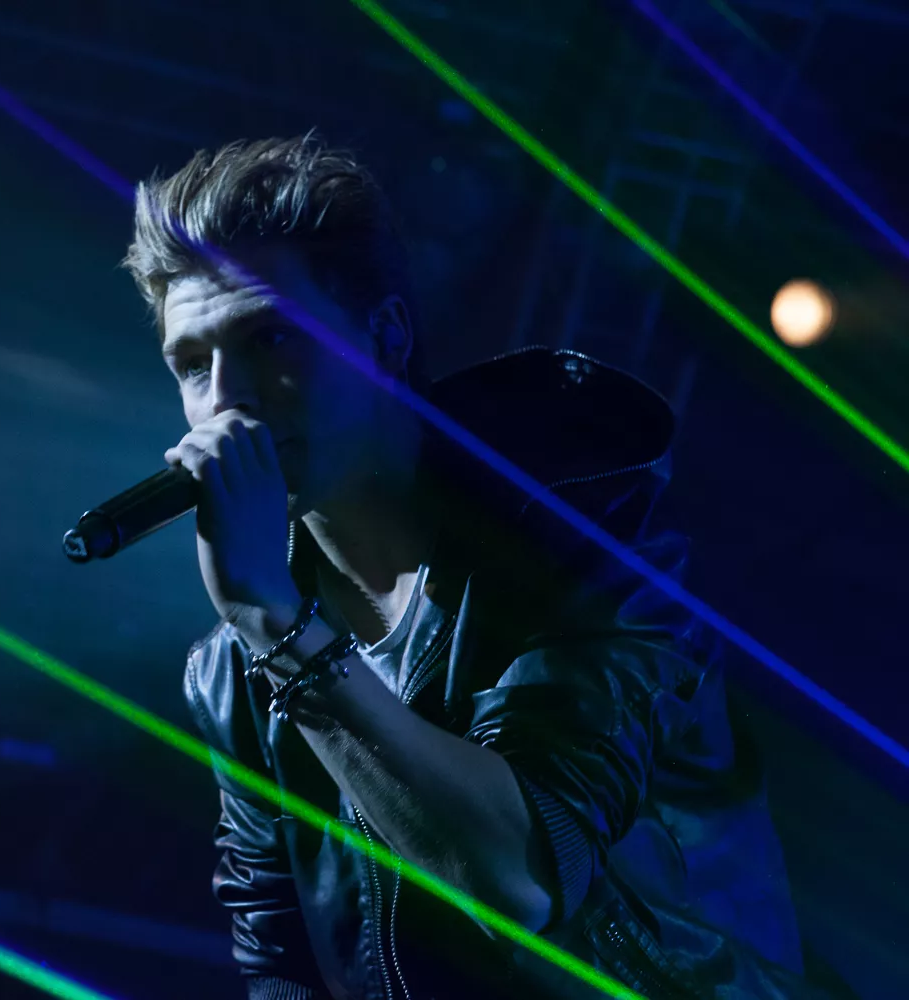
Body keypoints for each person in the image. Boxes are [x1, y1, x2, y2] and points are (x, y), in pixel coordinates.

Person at [121, 134, 835, 1000]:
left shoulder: (591, 549)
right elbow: (281, 963)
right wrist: (269, 631)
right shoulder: (234, 670)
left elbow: (523, 876)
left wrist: (279, 628)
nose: (225, 397)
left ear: (384, 334)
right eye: (192, 365)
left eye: (269, 337)